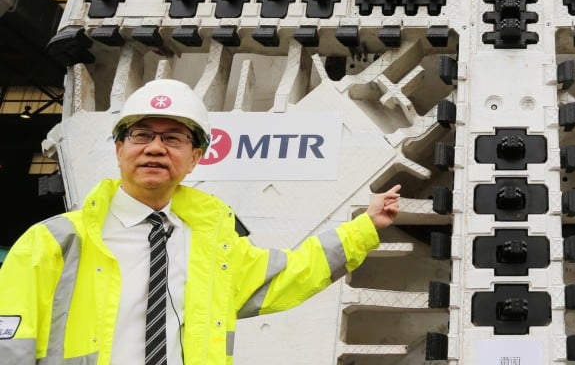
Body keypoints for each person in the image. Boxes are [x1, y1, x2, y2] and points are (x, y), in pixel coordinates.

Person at [0, 78, 400, 364]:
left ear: (194, 159)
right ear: (120, 149)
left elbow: (289, 274)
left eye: (173, 139)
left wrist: (364, 227)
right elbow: (9, 344)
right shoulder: (51, 243)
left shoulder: (213, 248)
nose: (155, 148)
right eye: (141, 135)